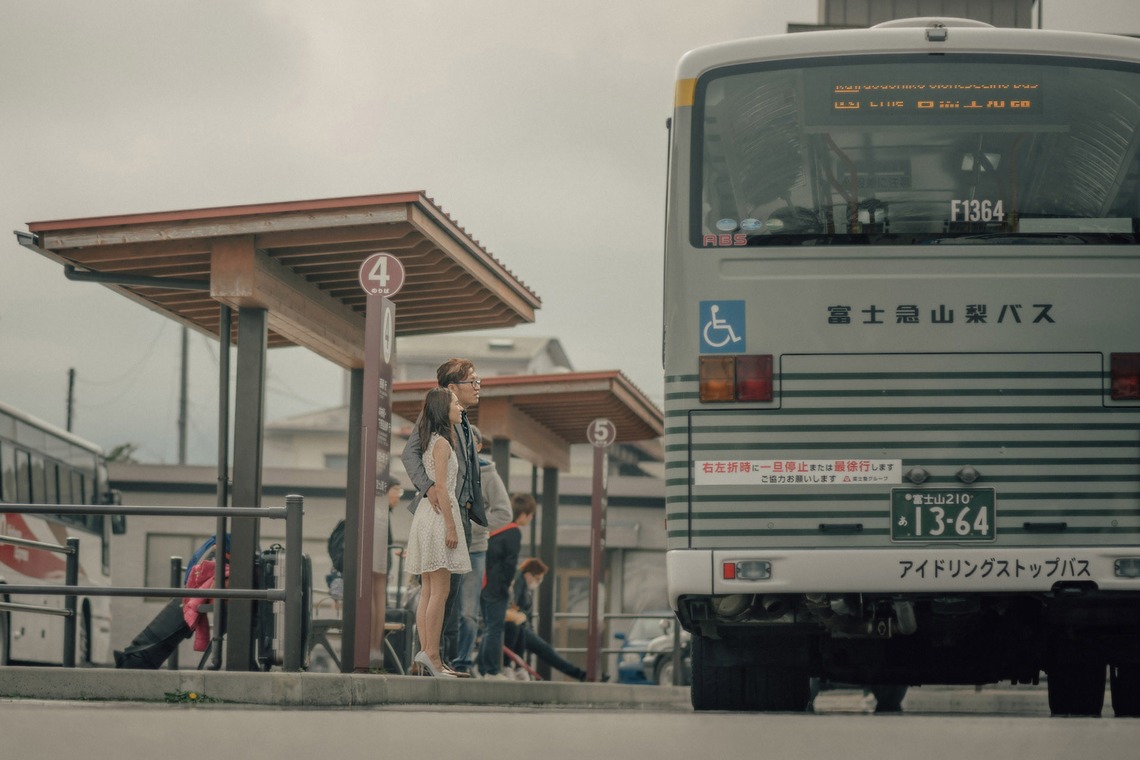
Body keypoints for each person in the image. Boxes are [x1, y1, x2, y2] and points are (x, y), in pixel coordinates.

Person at [401, 358, 487, 668]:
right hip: (441, 513)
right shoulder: (435, 417)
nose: (478, 387)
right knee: (438, 591)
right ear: (452, 388)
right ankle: (430, 659)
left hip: (460, 512)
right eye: (472, 381)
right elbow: (409, 454)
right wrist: (429, 487)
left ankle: (436, 659)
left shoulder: (461, 421)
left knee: (445, 592)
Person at [452, 424, 512, 675]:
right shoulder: (446, 468)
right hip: (444, 548)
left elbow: (504, 513)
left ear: (478, 446)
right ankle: (439, 658)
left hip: (475, 550)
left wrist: (473, 526)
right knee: (442, 605)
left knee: (468, 611)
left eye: (468, 442)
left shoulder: (489, 474)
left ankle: (462, 662)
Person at [504, 556, 589, 682]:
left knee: (546, 651)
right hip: (518, 625)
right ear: (528, 574)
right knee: (546, 651)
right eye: (537, 579)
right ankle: (580, 674)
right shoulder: (520, 581)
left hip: (522, 627)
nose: (537, 583)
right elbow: (514, 604)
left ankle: (580, 674)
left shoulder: (523, 585)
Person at [479, 492, 535, 679]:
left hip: (484, 584)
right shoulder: (513, 532)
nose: (531, 518)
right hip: (497, 587)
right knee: (495, 628)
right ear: (524, 514)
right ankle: (492, 670)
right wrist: (506, 586)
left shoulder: (497, 530)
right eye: (531, 515)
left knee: (489, 627)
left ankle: (485, 668)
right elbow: (510, 564)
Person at [369, 479, 404, 668]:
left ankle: (374, 650)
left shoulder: (383, 514)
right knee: (375, 600)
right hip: (376, 572)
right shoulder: (379, 514)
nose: (399, 496)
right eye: (396, 490)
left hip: (380, 570)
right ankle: (372, 649)